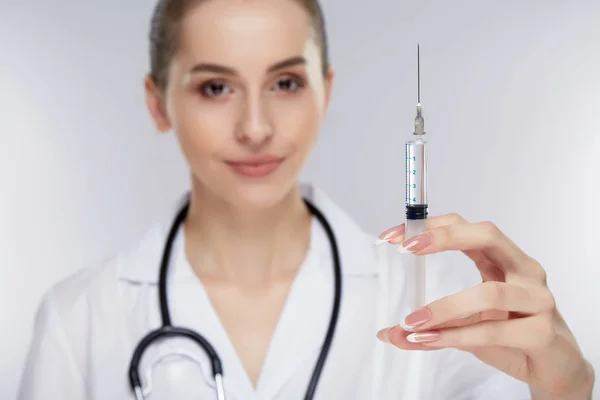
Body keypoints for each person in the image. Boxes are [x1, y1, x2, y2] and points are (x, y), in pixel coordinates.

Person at [18, 0, 595, 399]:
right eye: (215, 87)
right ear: (158, 103)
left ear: (327, 90)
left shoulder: (436, 308)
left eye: (286, 83)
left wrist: (566, 391)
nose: (256, 127)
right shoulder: (80, 319)